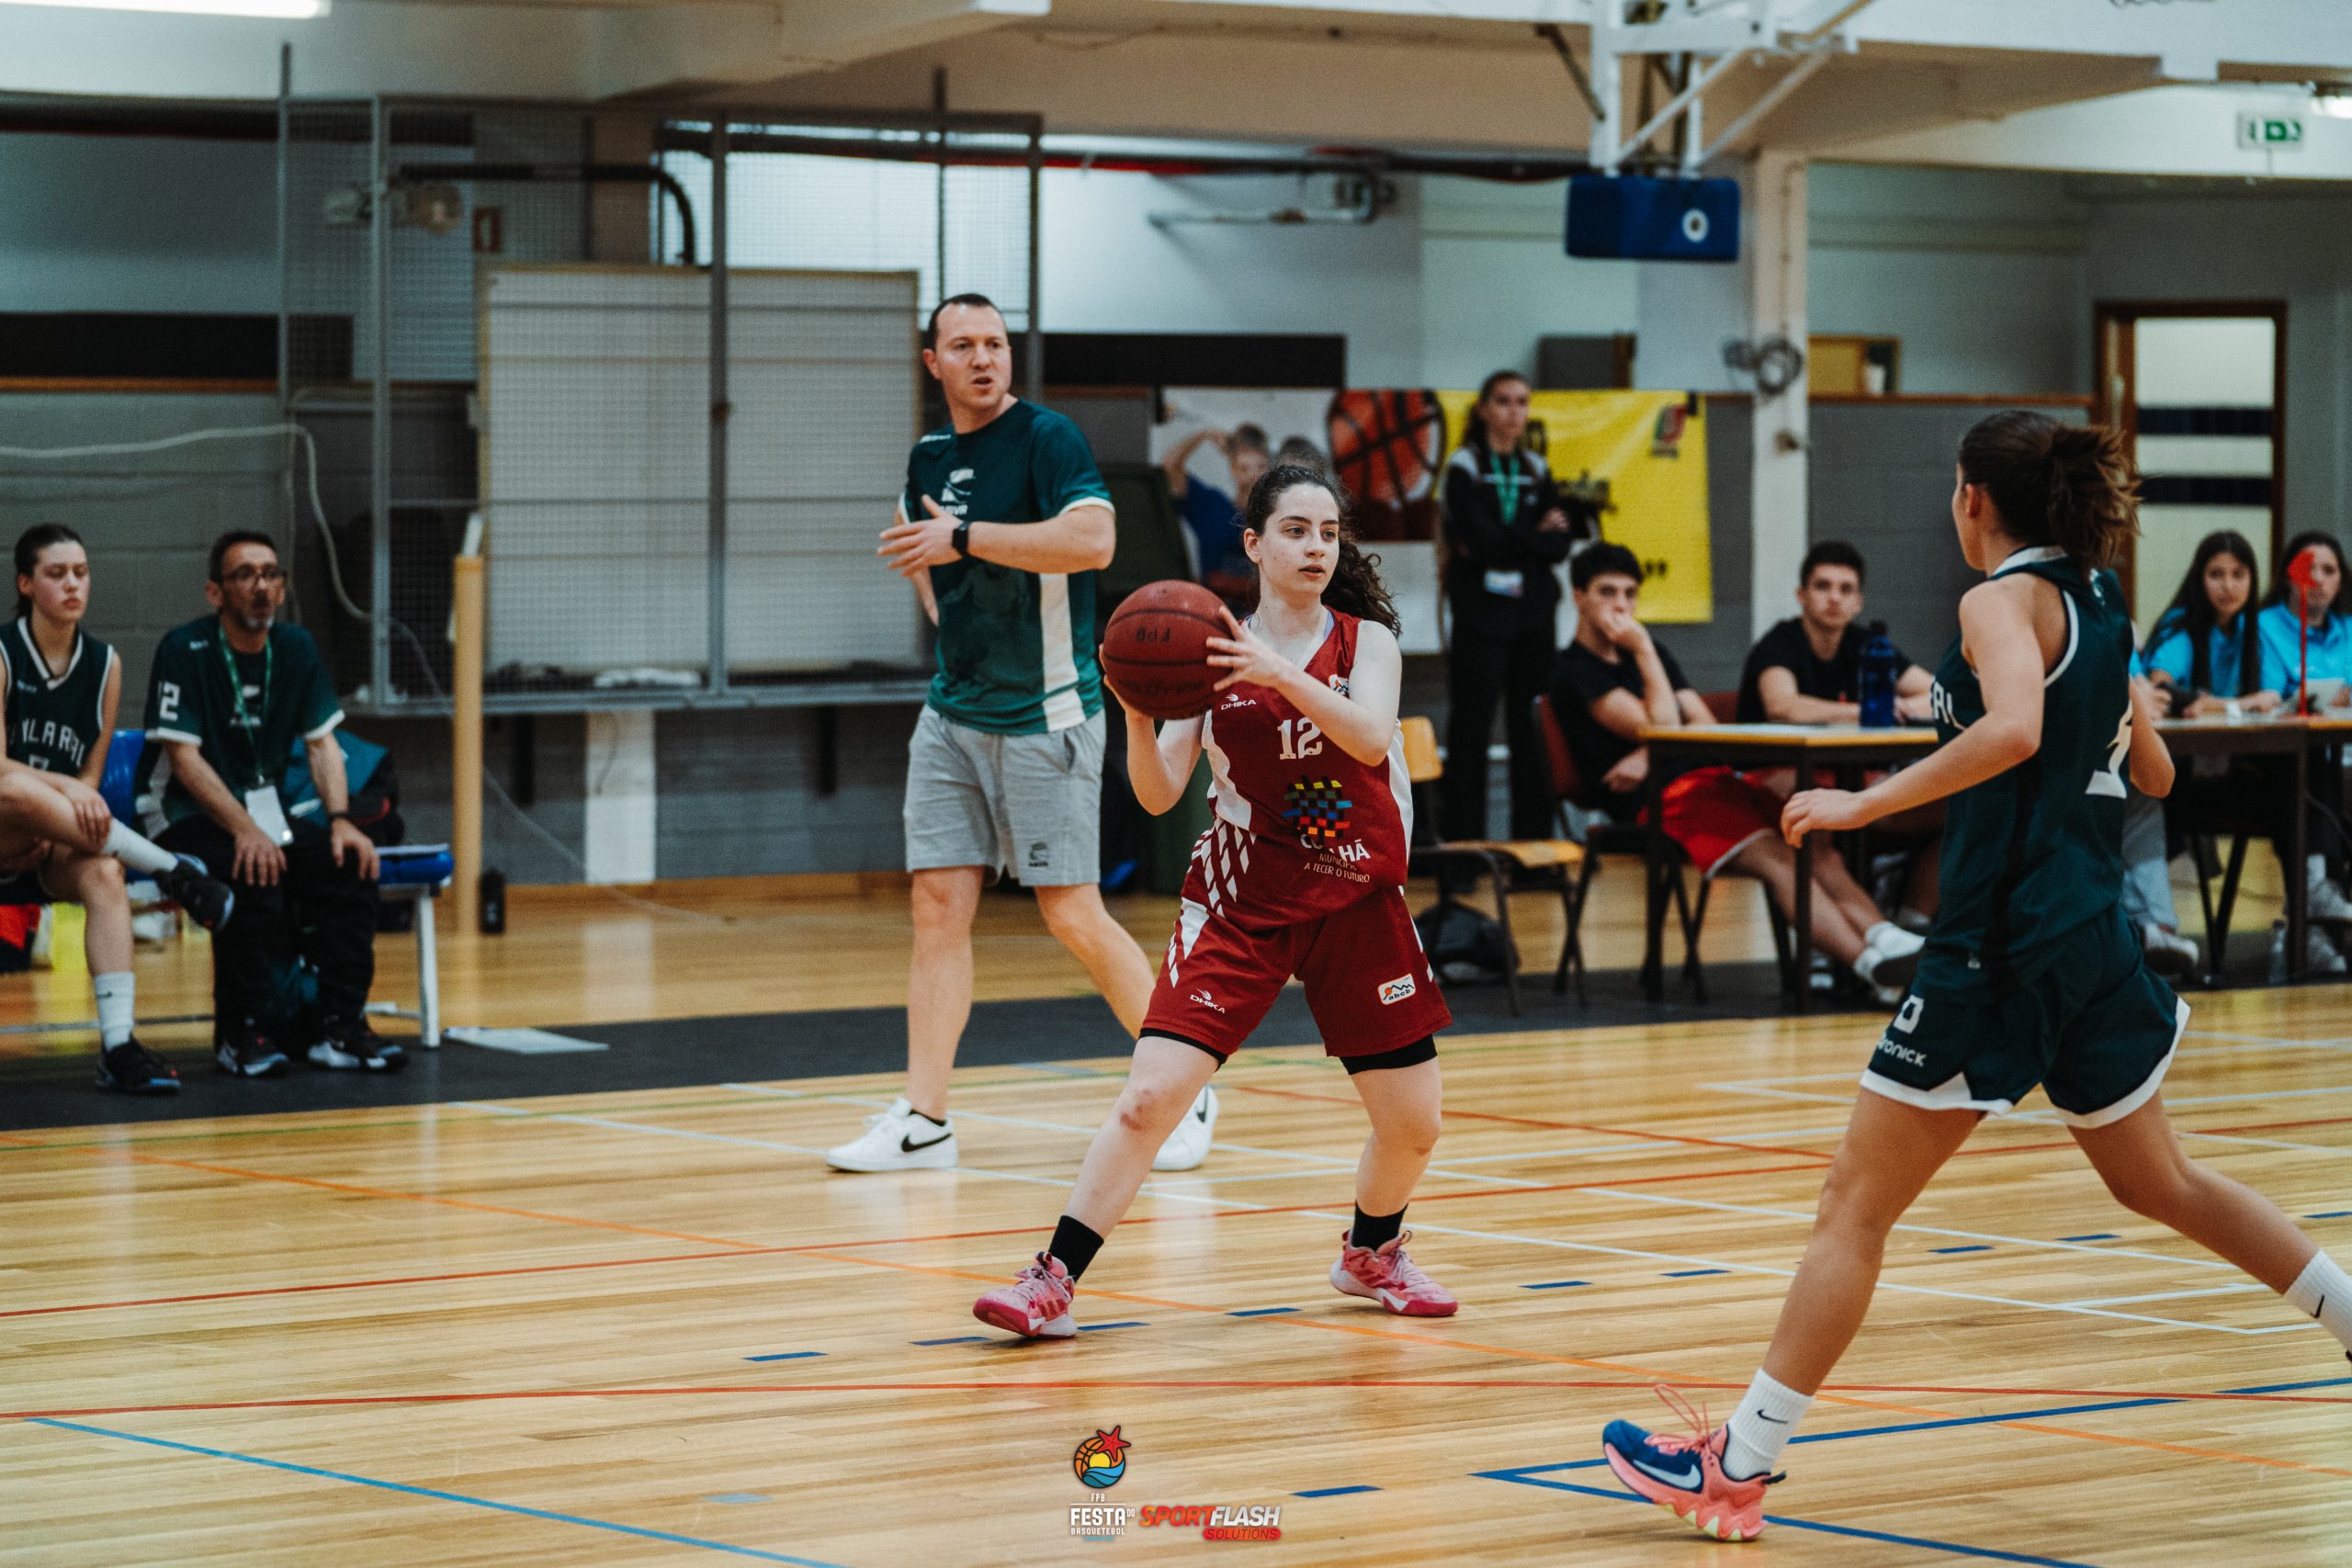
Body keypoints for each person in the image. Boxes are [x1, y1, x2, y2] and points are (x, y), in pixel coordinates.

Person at [1599, 410, 2352, 1544]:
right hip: (2091, 934)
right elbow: (2148, 767)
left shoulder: (1996, 602)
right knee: (2161, 1184)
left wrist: (1861, 801)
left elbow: (2007, 731)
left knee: (1852, 1206)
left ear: (1972, 501)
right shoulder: (2097, 600)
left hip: (2000, 944)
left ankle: (1737, 1462)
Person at [969, 462, 1456, 1338]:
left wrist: (1277, 672)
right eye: (1296, 530)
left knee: (1415, 1124)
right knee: (1149, 1098)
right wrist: (1134, 712)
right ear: (1255, 544)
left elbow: (1370, 733)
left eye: (1328, 532)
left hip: (1357, 897)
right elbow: (1159, 794)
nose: (1315, 546)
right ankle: (1052, 1278)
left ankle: (1370, 1252)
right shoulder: (1206, 648)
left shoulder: (1366, 640)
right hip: (1242, 899)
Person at [845, 293, 1216, 1174]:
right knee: (937, 907)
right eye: (963, 345)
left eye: (997, 343)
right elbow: (923, 555)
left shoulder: (1049, 440)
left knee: (1071, 911)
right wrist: (945, 578)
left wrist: (965, 538)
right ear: (931, 362)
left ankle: (1186, 1085)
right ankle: (925, 1118)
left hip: (1047, 713)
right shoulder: (929, 453)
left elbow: (1092, 539)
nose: (984, 357)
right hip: (952, 713)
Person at [1550, 543, 1924, 998]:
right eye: (1607, 593)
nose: (1621, 606)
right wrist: (1645, 657)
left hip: (1706, 781)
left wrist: (1653, 750)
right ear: (1578, 597)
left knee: (1811, 835)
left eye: (1629, 594)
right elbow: (1663, 725)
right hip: (1656, 802)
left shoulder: (1652, 656)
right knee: (1777, 858)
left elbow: (1702, 728)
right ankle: (1870, 966)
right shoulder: (1576, 670)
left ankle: (1888, 938)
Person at [142, 530, 395, 1078]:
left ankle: (340, 1025)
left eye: (271, 574)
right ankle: (243, 1030)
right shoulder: (185, 649)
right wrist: (244, 830)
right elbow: (183, 761)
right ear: (216, 592)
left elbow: (323, 743)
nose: (262, 585)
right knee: (249, 868)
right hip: (178, 812)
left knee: (349, 867)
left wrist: (341, 822)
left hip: (262, 814)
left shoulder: (297, 648)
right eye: (245, 575)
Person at [0, 525, 234, 1093]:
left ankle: (120, 1045)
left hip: (50, 841)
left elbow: (91, 779)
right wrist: (65, 789)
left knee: (105, 872)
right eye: (57, 574)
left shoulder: (105, 664)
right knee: (15, 792)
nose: (73, 585)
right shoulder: (3, 654)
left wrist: (65, 814)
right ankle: (172, 870)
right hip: (3, 820)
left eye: (81, 572)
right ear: (26, 584)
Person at [1441, 370, 1577, 842]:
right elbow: (1478, 543)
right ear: (1482, 409)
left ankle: (1532, 850)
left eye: (1522, 401)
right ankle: (1463, 852)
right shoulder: (1464, 466)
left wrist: (1519, 541)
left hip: (1533, 618)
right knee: (1471, 733)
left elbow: (1560, 545)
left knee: (1532, 733)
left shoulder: (1536, 468)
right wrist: (1532, 536)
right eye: (1503, 401)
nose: (1513, 411)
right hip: (1481, 617)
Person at [2247, 529, 2352, 960]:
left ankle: (2321, 912)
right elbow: (2270, 696)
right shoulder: (2265, 626)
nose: (2320, 579)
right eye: (2310, 569)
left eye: (2330, 571)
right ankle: (2314, 898)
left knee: (2330, 768)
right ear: (2290, 576)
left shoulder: (2347, 629)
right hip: (2274, 762)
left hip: (2340, 754)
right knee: (2311, 768)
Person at [1734, 541, 1931, 726]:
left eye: (1846, 589)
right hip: (1773, 761)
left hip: (1844, 759)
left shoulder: (1866, 643)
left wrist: (1893, 709)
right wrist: (1869, 711)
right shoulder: (1779, 642)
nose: (1834, 598)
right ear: (1801, 596)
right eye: (1822, 586)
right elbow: (1782, 707)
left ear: (1858, 602)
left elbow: (1939, 694)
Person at [1159, 421, 1270, 603]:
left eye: (1260, 467)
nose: (1253, 475)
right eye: (1245, 468)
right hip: (1214, 611)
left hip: (1262, 616)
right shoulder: (1212, 504)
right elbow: (1170, 465)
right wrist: (1204, 434)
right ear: (1233, 468)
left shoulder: (1277, 515)